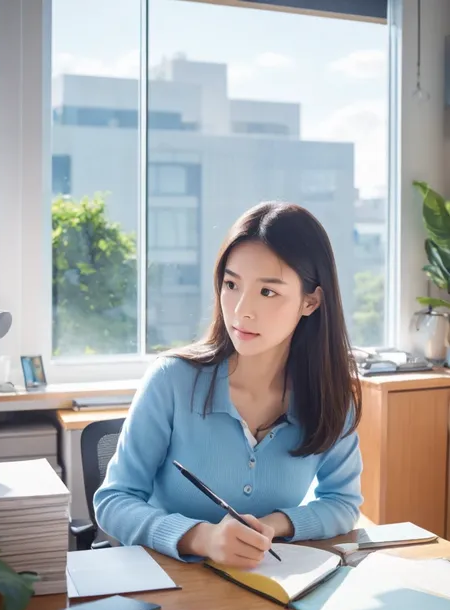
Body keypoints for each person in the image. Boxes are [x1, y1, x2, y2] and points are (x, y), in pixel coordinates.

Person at [93, 201, 363, 571]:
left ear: (311, 301)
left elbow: (343, 503)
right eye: (232, 284)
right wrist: (202, 538)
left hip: (267, 589)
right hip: (172, 592)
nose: (240, 310)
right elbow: (114, 501)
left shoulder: (330, 396)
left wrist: (270, 526)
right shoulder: (172, 380)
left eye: (268, 292)